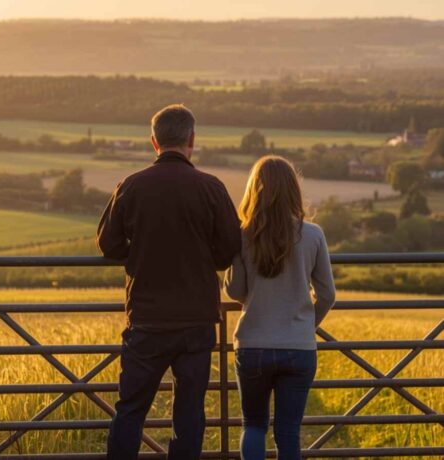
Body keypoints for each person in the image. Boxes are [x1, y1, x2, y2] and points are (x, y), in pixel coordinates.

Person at [97, 104, 241, 460]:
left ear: (153, 142)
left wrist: (141, 250)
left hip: (146, 318)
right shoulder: (211, 187)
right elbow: (227, 252)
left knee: (130, 409)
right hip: (196, 320)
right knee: (189, 412)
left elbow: (108, 244)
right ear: (192, 139)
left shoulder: (131, 186)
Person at [223, 155, 336, 460]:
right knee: (288, 431)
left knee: (254, 424)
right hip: (298, 347)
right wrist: (305, 327)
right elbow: (327, 294)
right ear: (293, 190)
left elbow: (236, 291)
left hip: (253, 344)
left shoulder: (243, 234)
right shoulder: (313, 234)